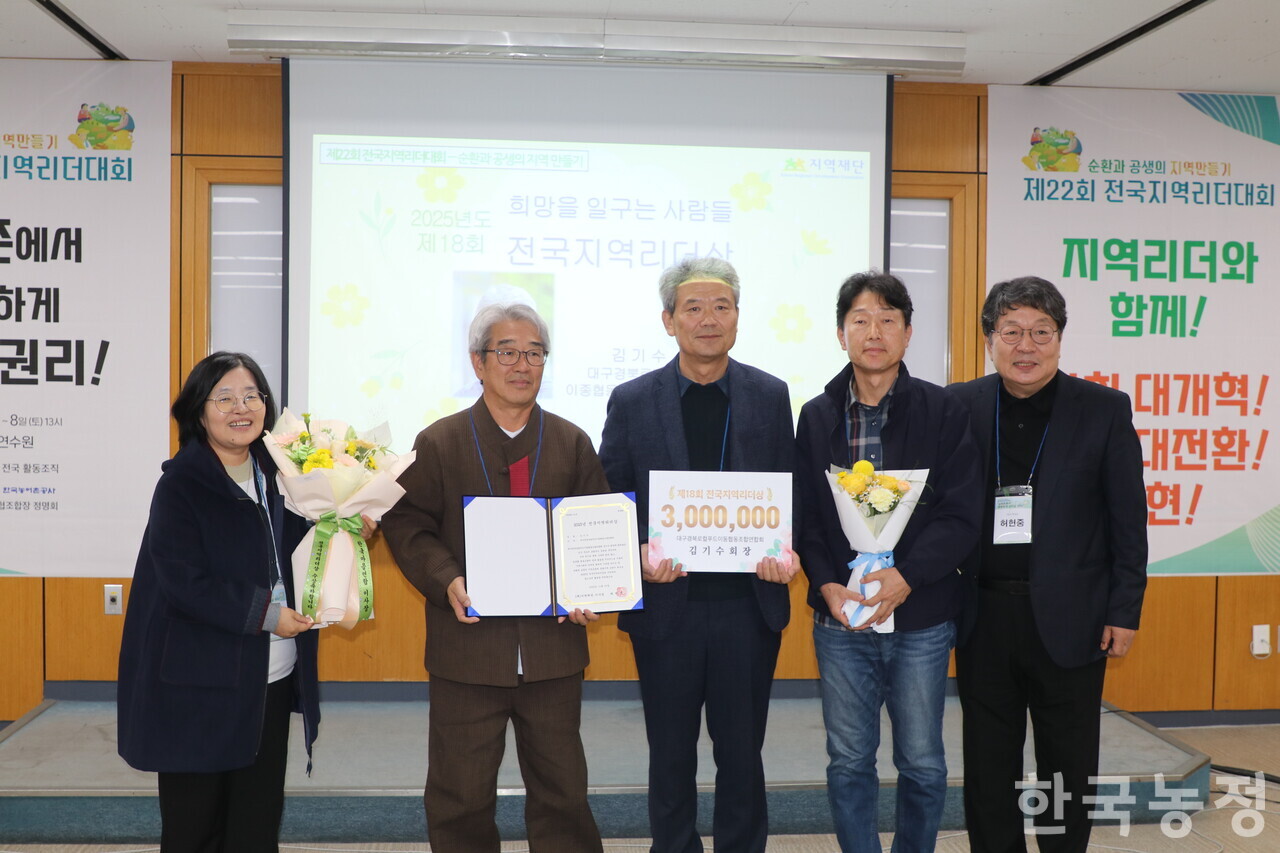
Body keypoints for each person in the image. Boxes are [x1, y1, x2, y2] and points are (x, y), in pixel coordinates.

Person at [381, 303, 605, 853]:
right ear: (478, 363)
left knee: (564, 795)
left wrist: (590, 589)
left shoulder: (572, 442)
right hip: (467, 651)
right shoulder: (438, 442)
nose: (522, 364)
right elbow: (406, 523)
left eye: (534, 353)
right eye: (507, 352)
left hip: (553, 650)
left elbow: (596, 526)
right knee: (460, 797)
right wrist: (445, 577)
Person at [598, 257, 797, 853]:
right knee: (670, 750)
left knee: (742, 751)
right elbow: (613, 494)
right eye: (693, 308)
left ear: (737, 317)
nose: (708, 320)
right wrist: (636, 551)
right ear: (668, 320)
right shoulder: (633, 400)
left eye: (722, 307)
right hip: (667, 607)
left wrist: (784, 551)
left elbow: (789, 491)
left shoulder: (769, 394)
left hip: (747, 606)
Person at [951, 276, 1147, 852]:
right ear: (990, 339)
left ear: (1060, 339)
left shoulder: (1103, 410)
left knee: (1067, 764)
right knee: (989, 764)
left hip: (1075, 618)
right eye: (1011, 331)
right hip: (982, 614)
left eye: (1042, 331)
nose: (1026, 346)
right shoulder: (959, 405)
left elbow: (1127, 522)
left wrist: (1124, 610)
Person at [795, 271, 982, 853]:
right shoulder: (816, 414)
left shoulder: (943, 410)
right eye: (860, 320)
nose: (873, 332)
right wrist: (826, 582)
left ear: (906, 334)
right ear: (840, 333)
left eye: (887, 320)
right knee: (849, 759)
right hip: (841, 616)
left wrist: (907, 576)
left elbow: (961, 513)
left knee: (922, 761)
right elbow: (806, 516)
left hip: (921, 615)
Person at [118, 352, 329, 852]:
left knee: (256, 825)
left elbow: (305, 550)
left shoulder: (281, 476)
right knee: (195, 829)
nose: (242, 408)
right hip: (198, 687)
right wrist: (266, 614)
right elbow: (183, 582)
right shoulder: (182, 484)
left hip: (269, 678)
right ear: (199, 410)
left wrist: (345, 526)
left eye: (251, 396)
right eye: (225, 397)